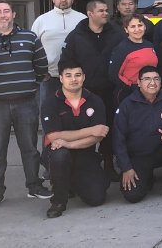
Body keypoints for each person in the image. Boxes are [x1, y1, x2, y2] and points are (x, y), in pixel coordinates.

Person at [0, 0, 52, 209]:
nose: (3, 15)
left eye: (6, 11)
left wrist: (28, 86)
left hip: (26, 104)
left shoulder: (30, 37)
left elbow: (42, 66)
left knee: (30, 148)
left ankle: (34, 186)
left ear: (14, 14)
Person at [61, 0, 127, 180]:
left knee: (109, 130)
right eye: (101, 11)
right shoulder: (75, 37)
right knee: (87, 129)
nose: (106, 13)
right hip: (85, 93)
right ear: (90, 14)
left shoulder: (116, 34)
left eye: (107, 10)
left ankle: (109, 166)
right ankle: (84, 168)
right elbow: (66, 63)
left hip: (111, 92)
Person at [41, 60, 111, 218]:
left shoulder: (95, 100)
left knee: (97, 198)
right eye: (68, 75)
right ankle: (58, 201)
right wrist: (89, 130)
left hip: (85, 153)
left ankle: (70, 182)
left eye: (77, 75)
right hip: (56, 152)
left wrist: (69, 143)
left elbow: (98, 136)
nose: (74, 79)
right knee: (60, 155)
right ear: (60, 78)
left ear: (84, 77)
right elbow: (54, 136)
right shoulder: (50, 102)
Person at [113, 66, 162, 203]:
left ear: (160, 82)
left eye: (156, 79)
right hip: (139, 156)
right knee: (132, 196)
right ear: (138, 82)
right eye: (147, 79)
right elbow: (118, 139)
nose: (152, 83)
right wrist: (126, 168)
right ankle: (147, 177)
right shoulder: (127, 105)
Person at [32, 0, 87, 112]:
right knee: (50, 113)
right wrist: (42, 73)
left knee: (76, 113)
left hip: (77, 77)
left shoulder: (83, 20)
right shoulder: (42, 20)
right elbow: (32, 48)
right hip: (50, 77)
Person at [109, 13, 158, 104]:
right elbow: (113, 74)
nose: (137, 29)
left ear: (145, 27)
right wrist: (132, 86)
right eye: (132, 26)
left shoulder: (150, 45)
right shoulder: (122, 49)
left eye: (140, 25)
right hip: (129, 94)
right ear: (126, 29)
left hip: (150, 92)